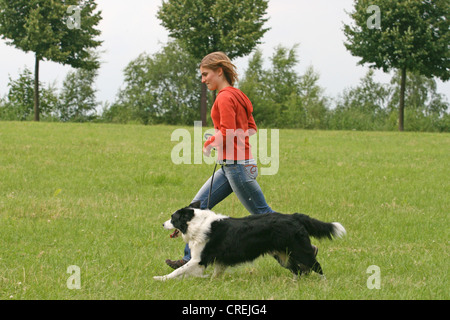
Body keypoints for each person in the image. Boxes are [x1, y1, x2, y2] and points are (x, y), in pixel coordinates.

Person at [165, 52, 316, 269]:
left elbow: (227, 131)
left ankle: (304, 253)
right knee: (197, 206)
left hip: (237, 167)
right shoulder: (239, 95)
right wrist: (226, 142)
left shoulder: (224, 97)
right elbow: (251, 129)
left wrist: (210, 143)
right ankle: (190, 261)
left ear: (219, 71)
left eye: (206, 74)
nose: (203, 79)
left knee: (264, 216)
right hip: (232, 165)